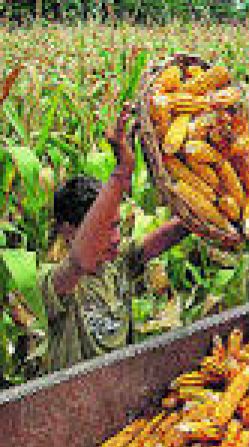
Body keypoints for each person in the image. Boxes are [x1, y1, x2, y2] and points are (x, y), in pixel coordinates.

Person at [38, 104, 190, 373]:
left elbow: (164, 237)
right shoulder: (55, 283)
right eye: (104, 229)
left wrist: (203, 214)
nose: (116, 238)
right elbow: (79, 261)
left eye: (117, 225)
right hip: (76, 404)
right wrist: (123, 170)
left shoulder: (116, 262)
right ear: (69, 230)